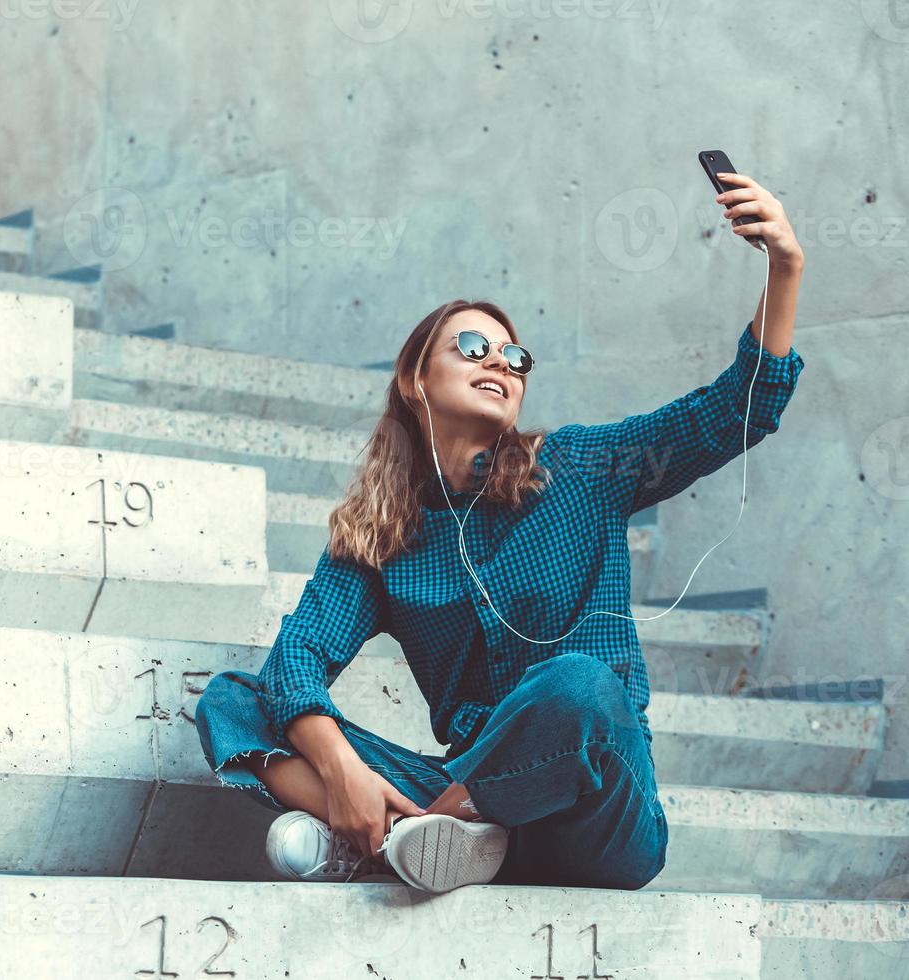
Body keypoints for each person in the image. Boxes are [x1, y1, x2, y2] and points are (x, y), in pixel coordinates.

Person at [194, 172, 806, 892]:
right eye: (475, 347)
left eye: (516, 359)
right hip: (466, 796)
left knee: (577, 683)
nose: (501, 363)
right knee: (231, 700)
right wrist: (343, 772)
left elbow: (736, 409)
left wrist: (784, 265)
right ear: (417, 380)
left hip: (598, 816)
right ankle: (413, 834)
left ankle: (408, 837)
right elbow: (295, 663)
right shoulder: (383, 537)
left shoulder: (581, 467)